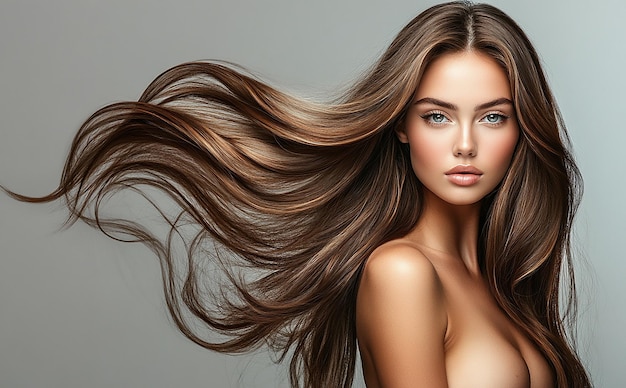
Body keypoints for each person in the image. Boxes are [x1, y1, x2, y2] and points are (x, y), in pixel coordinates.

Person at [4, 1, 591, 387]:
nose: (465, 144)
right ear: (402, 128)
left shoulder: (508, 282)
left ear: (522, 130)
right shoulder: (402, 272)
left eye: (492, 118)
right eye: (438, 117)